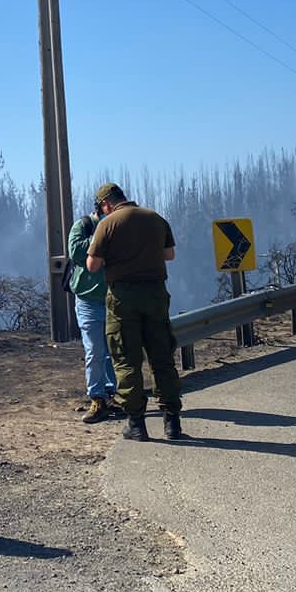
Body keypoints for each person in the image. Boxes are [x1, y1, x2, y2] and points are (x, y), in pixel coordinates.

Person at [84, 182, 184, 442]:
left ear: (106, 204)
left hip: (123, 298)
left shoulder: (107, 224)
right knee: (162, 357)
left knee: (126, 360)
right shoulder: (155, 218)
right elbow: (169, 254)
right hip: (155, 294)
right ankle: (172, 421)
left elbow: (93, 265)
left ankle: (136, 424)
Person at [66, 207, 118, 424]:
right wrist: (100, 238)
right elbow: (76, 252)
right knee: (94, 349)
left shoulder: (118, 226)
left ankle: (111, 395)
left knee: (111, 351)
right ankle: (97, 397)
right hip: (88, 300)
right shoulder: (84, 225)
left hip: (113, 298)